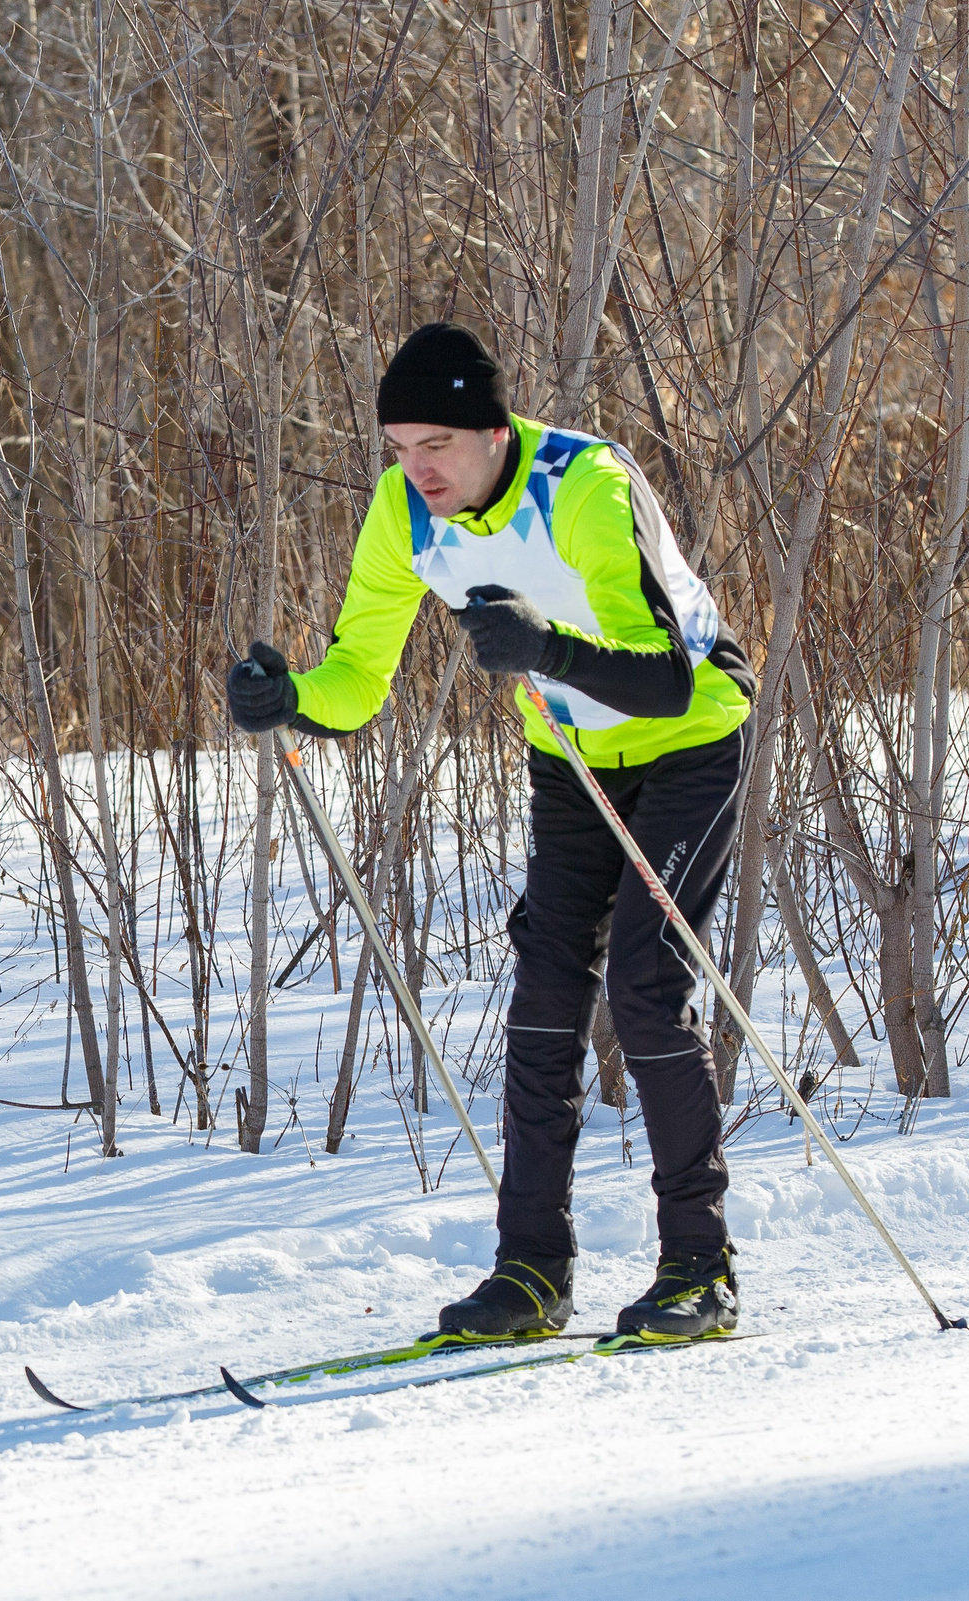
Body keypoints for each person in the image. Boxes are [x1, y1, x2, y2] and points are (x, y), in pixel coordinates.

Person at [225, 322, 757, 1343]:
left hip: (686, 739)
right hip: (568, 753)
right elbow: (356, 679)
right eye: (398, 447)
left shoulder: (585, 486)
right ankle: (530, 1274)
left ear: (489, 428)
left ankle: (698, 1264)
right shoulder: (402, 516)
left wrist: (543, 643)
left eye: (435, 443)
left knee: (645, 992)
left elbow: (667, 676)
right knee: (546, 1000)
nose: (415, 467)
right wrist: (286, 696)